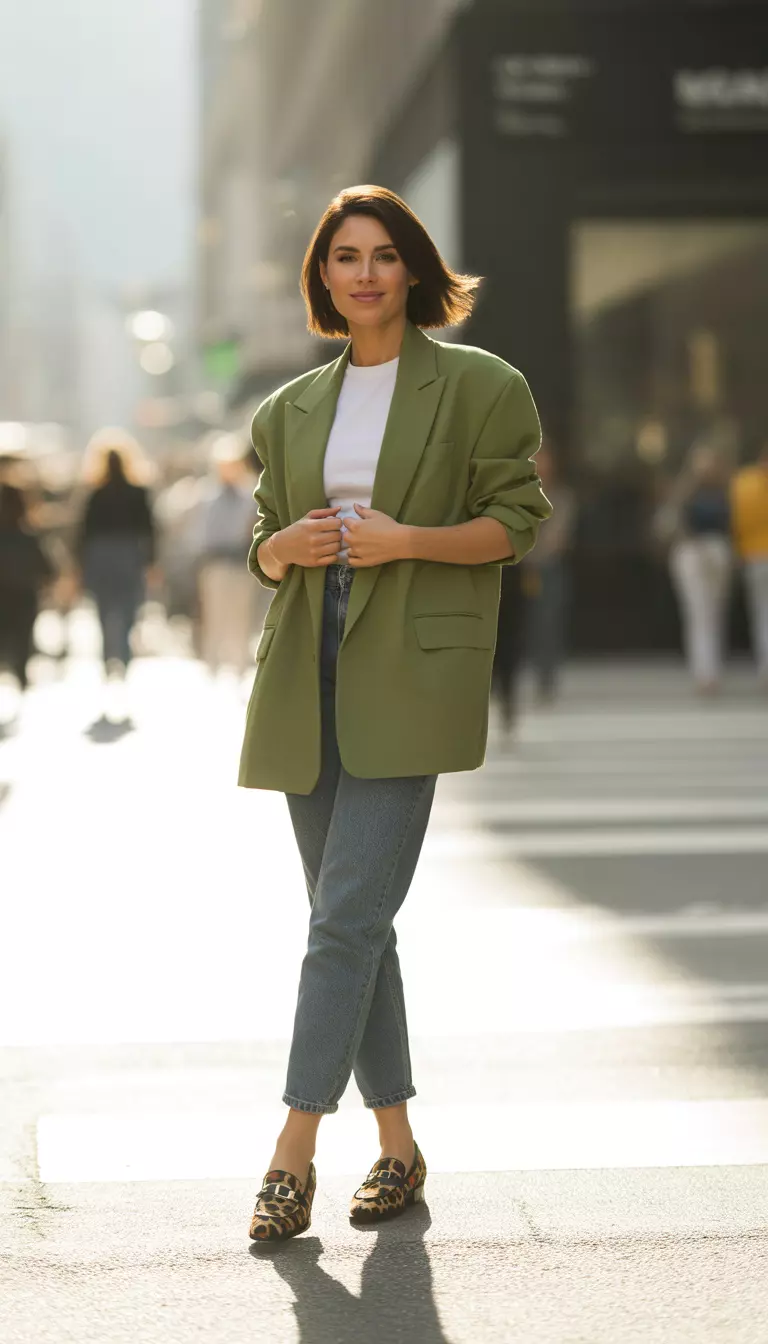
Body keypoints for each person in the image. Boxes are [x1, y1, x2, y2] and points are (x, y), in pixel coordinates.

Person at [239, 184, 552, 1243]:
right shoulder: (286, 410)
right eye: (343, 257)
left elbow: (516, 522)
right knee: (358, 924)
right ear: (323, 278)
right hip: (304, 677)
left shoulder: (481, 385)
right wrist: (283, 549)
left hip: (408, 676)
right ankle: (400, 1146)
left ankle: (291, 1152)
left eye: (382, 255)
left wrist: (404, 540)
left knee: (342, 921)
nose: (363, 273)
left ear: (413, 268)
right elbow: (266, 540)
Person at [76, 432, 157, 696]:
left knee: (105, 609)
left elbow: (82, 534)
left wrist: (79, 567)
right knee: (128, 608)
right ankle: (121, 654)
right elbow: (150, 530)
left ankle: (111, 656)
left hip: (102, 557)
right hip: (128, 556)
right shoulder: (137, 492)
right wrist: (152, 562)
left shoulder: (96, 494)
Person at [191, 434, 259, 676]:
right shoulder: (207, 496)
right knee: (214, 616)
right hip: (216, 562)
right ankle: (212, 667)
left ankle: (239, 668)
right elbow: (200, 533)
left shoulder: (250, 496)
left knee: (240, 617)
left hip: (240, 563)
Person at [665, 445, 732, 693]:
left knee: (714, 613)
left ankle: (713, 669)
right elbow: (671, 521)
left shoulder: (724, 490)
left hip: (717, 551)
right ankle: (703, 672)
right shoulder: (684, 492)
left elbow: (730, 523)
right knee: (697, 613)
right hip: (691, 553)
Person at [521, 437, 575, 704]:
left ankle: (546, 680)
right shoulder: (518, 495)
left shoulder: (562, 498)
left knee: (547, 625)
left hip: (547, 569)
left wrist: (532, 555)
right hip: (519, 569)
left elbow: (558, 538)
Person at [0, 483, 54, 694]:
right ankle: (20, 672)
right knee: (22, 636)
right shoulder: (29, 536)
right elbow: (46, 568)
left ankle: (17, 671)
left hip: (5, 595)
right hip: (24, 595)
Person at [731, 441, 768, 688]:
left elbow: (735, 521)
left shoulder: (743, 482)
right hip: (755, 555)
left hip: (755, 556)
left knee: (762, 615)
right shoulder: (743, 483)